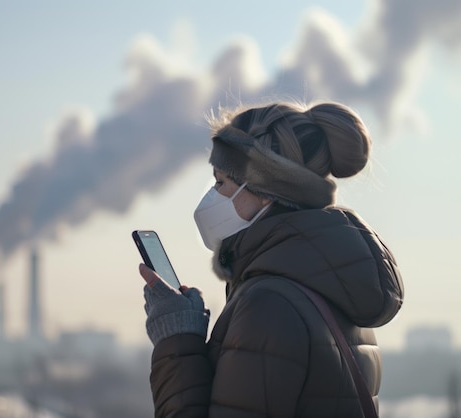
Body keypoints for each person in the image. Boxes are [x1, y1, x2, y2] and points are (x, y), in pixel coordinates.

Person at [139, 101, 404, 417]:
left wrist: (177, 339)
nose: (212, 194)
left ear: (264, 190)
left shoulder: (268, 307)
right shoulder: (334, 288)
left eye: (221, 182)